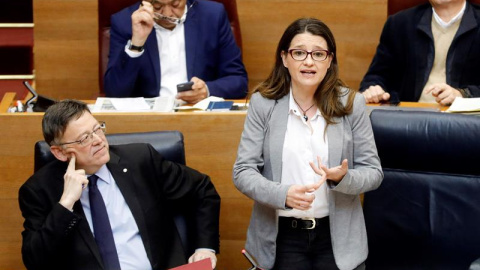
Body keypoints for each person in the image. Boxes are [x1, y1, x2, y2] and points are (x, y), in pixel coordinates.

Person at [233, 18, 383, 270]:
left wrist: (341, 178)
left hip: (337, 241)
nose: (309, 61)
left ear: (330, 60)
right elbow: (242, 172)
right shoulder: (263, 104)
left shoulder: (352, 104)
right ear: (284, 58)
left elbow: (373, 173)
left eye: (318, 54)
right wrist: (282, 194)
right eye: (299, 53)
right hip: (281, 238)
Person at [18, 100, 220, 270]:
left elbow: (202, 189)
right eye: (84, 138)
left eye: (97, 129)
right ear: (60, 152)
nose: (98, 140)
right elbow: (36, 262)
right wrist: (66, 204)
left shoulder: (140, 161)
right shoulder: (39, 190)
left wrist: (205, 247)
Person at [104, 0, 248, 103]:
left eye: (175, 4)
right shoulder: (124, 22)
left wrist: (207, 90)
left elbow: (238, 80)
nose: (168, 14)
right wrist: (137, 42)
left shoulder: (212, 16)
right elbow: (115, 93)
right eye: (158, 6)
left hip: (198, 115)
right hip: (149, 121)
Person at [360, 0, 480, 105]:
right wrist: (374, 89)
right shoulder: (399, 24)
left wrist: (463, 95)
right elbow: (376, 76)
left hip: (464, 122)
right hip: (409, 119)